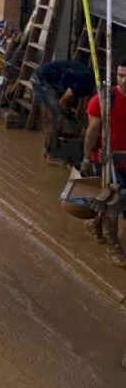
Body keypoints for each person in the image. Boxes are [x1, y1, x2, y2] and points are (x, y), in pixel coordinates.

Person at [83, 58, 126, 268]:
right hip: (107, 159)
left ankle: (95, 224)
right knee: (114, 201)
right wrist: (86, 157)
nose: (124, 80)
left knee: (115, 199)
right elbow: (92, 131)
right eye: (120, 75)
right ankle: (113, 245)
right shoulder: (105, 100)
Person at [33, 60, 96, 161]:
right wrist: (69, 120)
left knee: (59, 114)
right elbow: (63, 101)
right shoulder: (85, 83)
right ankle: (52, 151)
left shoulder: (89, 81)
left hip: (56, 79)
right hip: (42, 79)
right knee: (54, 115)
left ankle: (54, 145)